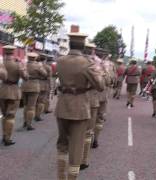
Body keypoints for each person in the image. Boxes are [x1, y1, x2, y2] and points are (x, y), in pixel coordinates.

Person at [55, 32, 104, 180]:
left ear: (70, 44)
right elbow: (100, 86)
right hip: (80, 108)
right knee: (76, 147)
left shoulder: (60, 60)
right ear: (83, 46)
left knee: (62, 144)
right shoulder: (87, 63)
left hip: (62, 105)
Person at [0, 45, 28, 146]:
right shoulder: (18, 64)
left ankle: (3, 136)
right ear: (13, 52)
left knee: (4, 115)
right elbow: (25, 77)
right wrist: (23, 67)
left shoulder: (1, 64)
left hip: (2, 90)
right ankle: (8, 138)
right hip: (14, 91)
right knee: (10, 115)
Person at [80, 42, 100, 169]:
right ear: (93, 51)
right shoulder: (96, 64)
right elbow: (103, 84)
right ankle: (83, 160)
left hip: (70, 100)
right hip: (91, 99)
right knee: (87, 132)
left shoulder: (65, 60)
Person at [21, 52, 47, 131]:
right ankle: (29, 124)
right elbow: (45, 74)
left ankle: (25, 121)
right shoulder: (38, 66)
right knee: (31, 106)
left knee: (25, 105)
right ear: (35, 58)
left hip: (24, 85)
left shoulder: (23, 64)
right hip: (34, 86)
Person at [34, 53, 52, 122]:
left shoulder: (35, 65)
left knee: (35, 101)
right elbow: (49, 78)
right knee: (41, 101)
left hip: (35, 84)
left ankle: (32, 115)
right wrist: (50, 86)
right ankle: (38, 116)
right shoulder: (48, 67)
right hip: (44, 85)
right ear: (45, 59)